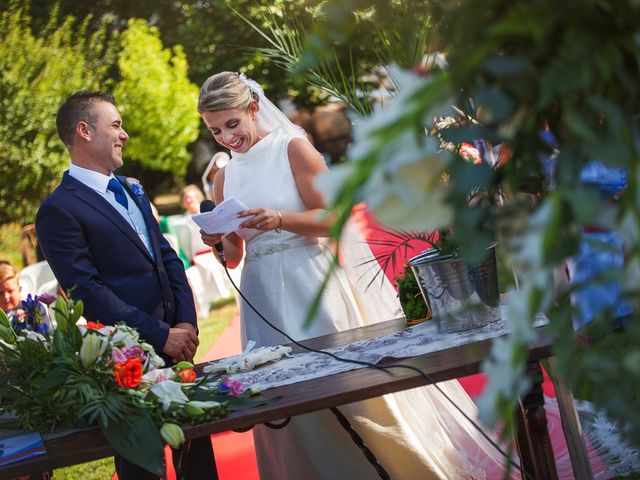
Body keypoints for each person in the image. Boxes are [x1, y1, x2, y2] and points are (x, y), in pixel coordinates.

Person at [196, 71, 522, 480]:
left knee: (346, 391)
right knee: (280, 401)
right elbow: (234, 254)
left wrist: (280, 218)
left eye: (232, 124)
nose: (226, 137)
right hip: (261, 298)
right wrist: (218, 238)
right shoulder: (224, 176)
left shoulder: (292, 148)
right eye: (215, 130)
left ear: (253, 108)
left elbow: (333, 219)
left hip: (311, 281)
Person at [35, 91, 218, 480]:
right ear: (84, 131)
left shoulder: (133, 188)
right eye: (115, 125)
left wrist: (186, 325)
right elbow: (87, 290)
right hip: (127, 359)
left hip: (178, 345)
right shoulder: (58, 209)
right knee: (144, 468)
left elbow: (167, 258)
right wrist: (159, 334)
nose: (125, 134)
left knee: (199, 462)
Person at [0, 261, 51, 333]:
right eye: (0, 293)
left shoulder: (34, 309)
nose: (6, 297)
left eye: (10, 291)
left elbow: (45, 335)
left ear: (19, 289)